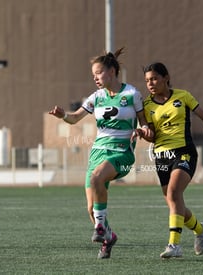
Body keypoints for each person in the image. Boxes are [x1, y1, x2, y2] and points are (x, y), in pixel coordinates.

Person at [49, 48, 152, 259]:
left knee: (97, 179)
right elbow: (74, 118)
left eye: (98, 72)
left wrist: (143, 130)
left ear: (113, 71)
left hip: (122, 153)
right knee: (90, 208)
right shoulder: (96, 97)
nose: (95, 78)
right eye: (93, 75)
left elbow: (145, 123)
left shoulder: (132, 94)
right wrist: (62, 116)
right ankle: (108, 237)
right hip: (97, 154)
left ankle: (99, 229)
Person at [139, 62, 203, 258]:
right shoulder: (147, 105)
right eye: (147, 81)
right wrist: (142, 133)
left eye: (154, 79)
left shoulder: (183, 96)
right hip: (161, 156)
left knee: (174, 192)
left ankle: (174, 245)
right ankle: (200, 230)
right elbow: (151, 135)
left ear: (165, 78)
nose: (150, 84)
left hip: (184, 151)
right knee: (174, 202)